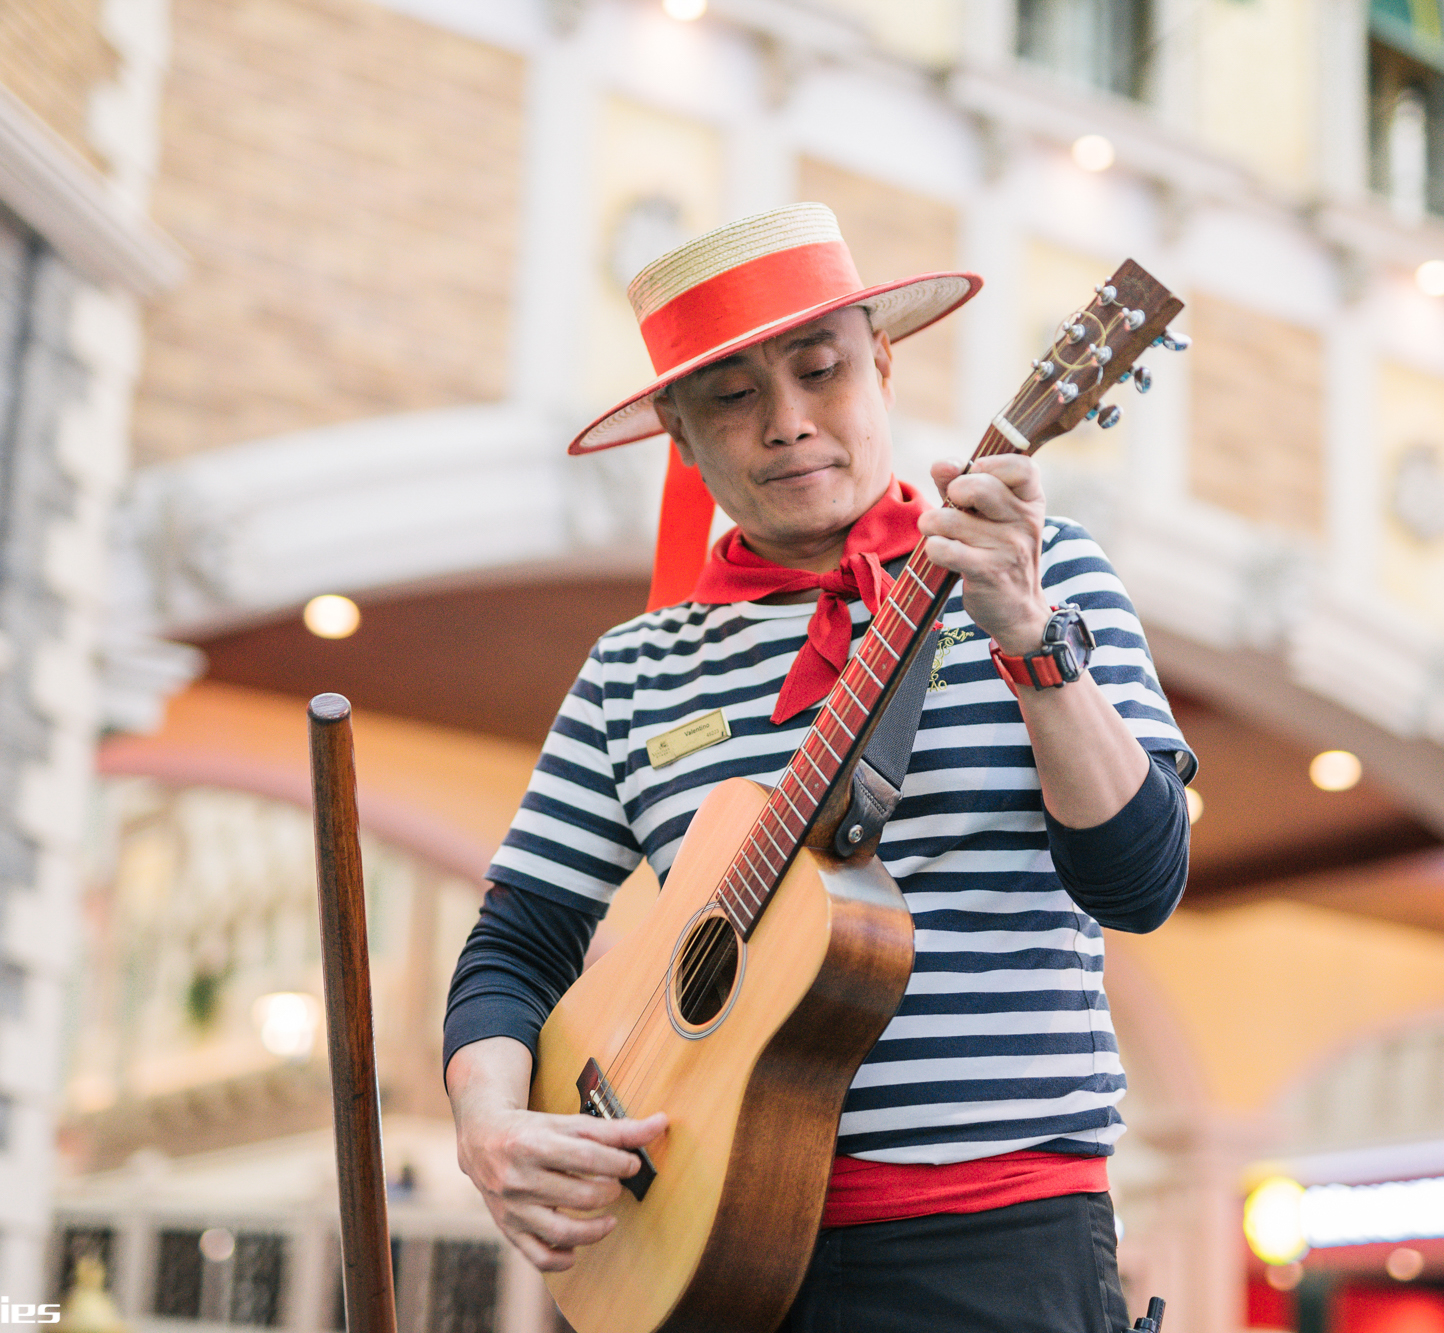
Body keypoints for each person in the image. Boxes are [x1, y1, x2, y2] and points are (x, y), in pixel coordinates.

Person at [443, 203, 1193, 1333]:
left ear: (881, 366)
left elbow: (1138, 884)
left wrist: (1031, 639)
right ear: (680, 439)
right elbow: (516, 940)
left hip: (996, 1248)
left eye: (819, 370)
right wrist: (491, 1121)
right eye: (733, 396)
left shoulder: (1049, 574)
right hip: (692, 1247)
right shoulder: (631, 668)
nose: (788, 423)